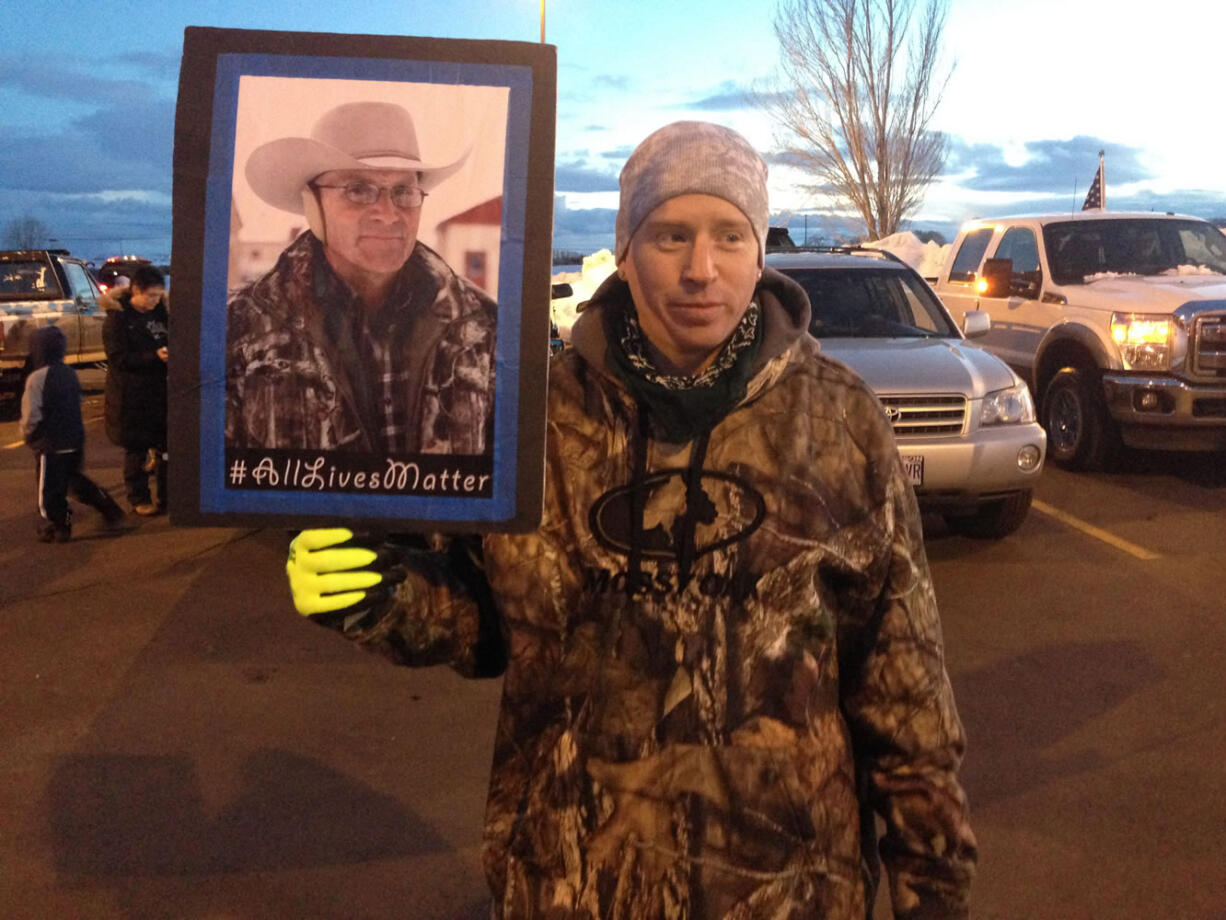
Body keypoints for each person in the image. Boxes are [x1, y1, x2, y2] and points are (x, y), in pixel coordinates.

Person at [285, 122, 976, 918]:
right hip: (571, 881)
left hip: (788, 893)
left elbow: (905, 694)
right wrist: (382, 594)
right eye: (669, 235)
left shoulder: (842, 423)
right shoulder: (534, 417)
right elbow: (493, 627)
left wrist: (937, 893)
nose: (700, 270)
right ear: (624, 248)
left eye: (729, 235)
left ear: (760, 253)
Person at [225, 100, 497, 455]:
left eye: (404, 192)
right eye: (358, 190)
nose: (387, 214)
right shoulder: (239, 329)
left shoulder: (485, 326)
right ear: (312, 204)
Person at [21, 325, 125, 541]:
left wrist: (28, 434)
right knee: (73, 479)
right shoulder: (69, 373)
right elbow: (77, 402)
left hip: (50, 443)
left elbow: (31, 413)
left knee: (49, 489)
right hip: (74, 438)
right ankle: (107, 506)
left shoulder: (37, 378)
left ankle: (59, 525)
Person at [102, 265, 169, 515]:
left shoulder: (161, 312)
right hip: (130, 397)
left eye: (158, 295)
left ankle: (168, 496)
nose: (154, 300)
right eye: (150, 295)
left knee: (166, 449)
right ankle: (139, 498)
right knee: (136, 451)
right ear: (136, 291)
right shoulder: (118, 319)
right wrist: (154, 356)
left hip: (160, 393)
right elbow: (118, 359)